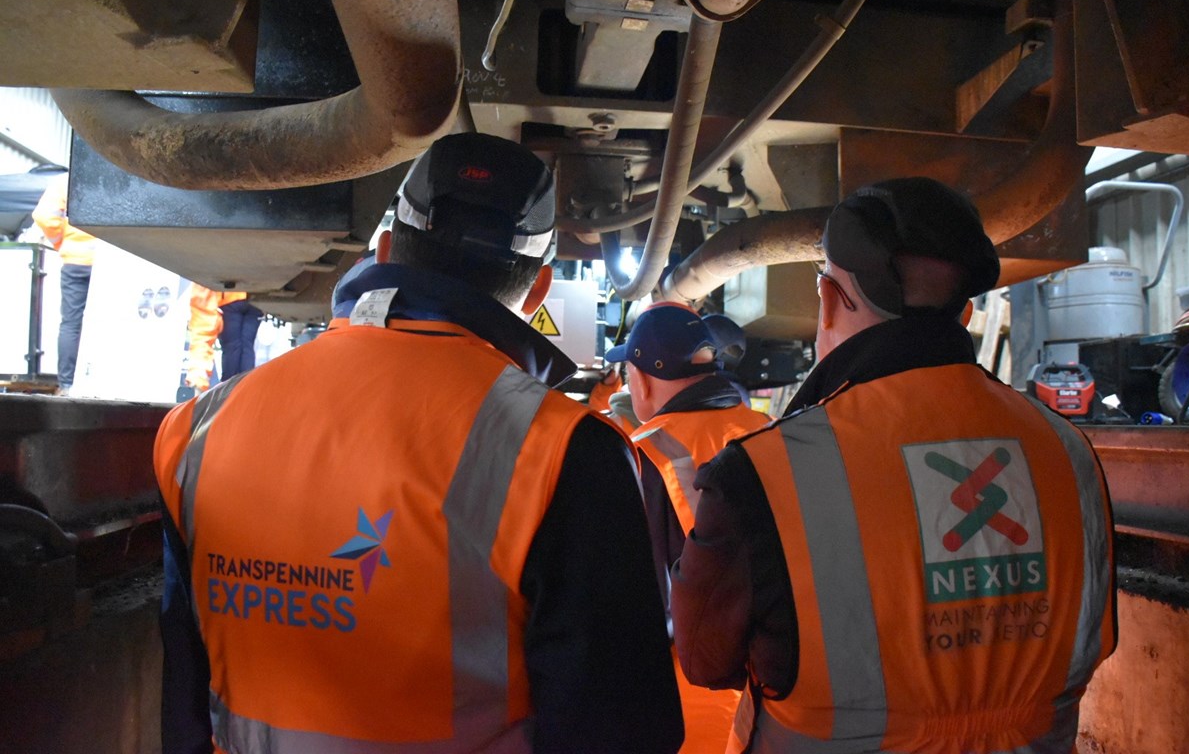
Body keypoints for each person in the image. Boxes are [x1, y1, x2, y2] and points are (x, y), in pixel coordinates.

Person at [154, 132, 683, 754]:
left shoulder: (195, 429)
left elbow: (183, 703)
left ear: (383, 249)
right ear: (538, 292)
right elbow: (619, 732)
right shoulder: (565, 451)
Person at [671, 177, 1116, 753]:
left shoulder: (762, 474)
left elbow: (705, 660)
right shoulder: (1068, 451)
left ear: (829, 300)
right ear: (967, 313)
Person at [605, 302, 771, 754]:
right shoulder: (772, 432)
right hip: (774, 693)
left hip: (683, 697)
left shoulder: (637, 456)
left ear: (637, 380)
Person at [32, 172, 97, 394]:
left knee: (71, 323)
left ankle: (67, 384)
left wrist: (62, 242)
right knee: (102, 321)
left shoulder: (66, 180)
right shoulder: (113, 173)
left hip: (75, 260)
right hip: (107, 261)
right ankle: (97, 378)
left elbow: (43, 216)